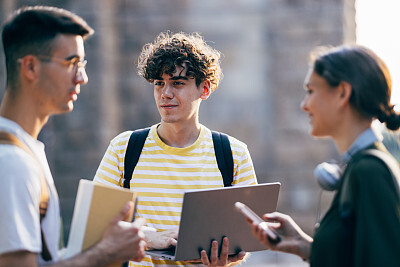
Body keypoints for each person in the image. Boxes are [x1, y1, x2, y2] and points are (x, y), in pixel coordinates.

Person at [93, 32, 257, 267]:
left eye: (177, 83)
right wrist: (149, 237)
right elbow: (96, 225)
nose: (165, 94)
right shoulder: (125, 148)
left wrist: (226, 258)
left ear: (205, 89)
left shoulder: (234, 154)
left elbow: (246, 238)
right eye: (159, 83)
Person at [0, 6, 146, 266]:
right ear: (31, 67)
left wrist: (116, 245)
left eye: (83, 64)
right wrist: (104, 255)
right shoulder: (12, 162)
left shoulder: (25, 150)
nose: (83, 77)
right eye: (72, 63)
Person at [247, 45, 400, 266]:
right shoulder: (361, 166)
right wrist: (307, 247)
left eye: (310, 91)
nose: (304, 104)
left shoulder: (369, 171)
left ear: (342, 93)